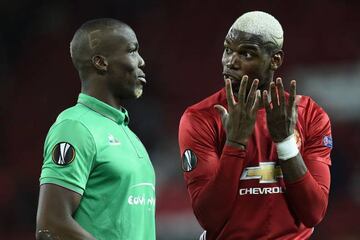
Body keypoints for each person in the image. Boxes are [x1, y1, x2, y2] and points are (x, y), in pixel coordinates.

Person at [178, 11, 332, 239]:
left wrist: (285, 142)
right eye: (227, 49)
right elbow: (209, 217)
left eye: (246, 53)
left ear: (275, 60)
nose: (231, 61)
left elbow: (313, 213)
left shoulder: (310, 115)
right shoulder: (200, 118)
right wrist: (234, 143)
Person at [36, 18, 156, 240]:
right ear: (101, 62)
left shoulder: (127, 133)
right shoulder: (75, 127)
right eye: (132, 51)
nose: (141, 61)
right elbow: (50, 226)